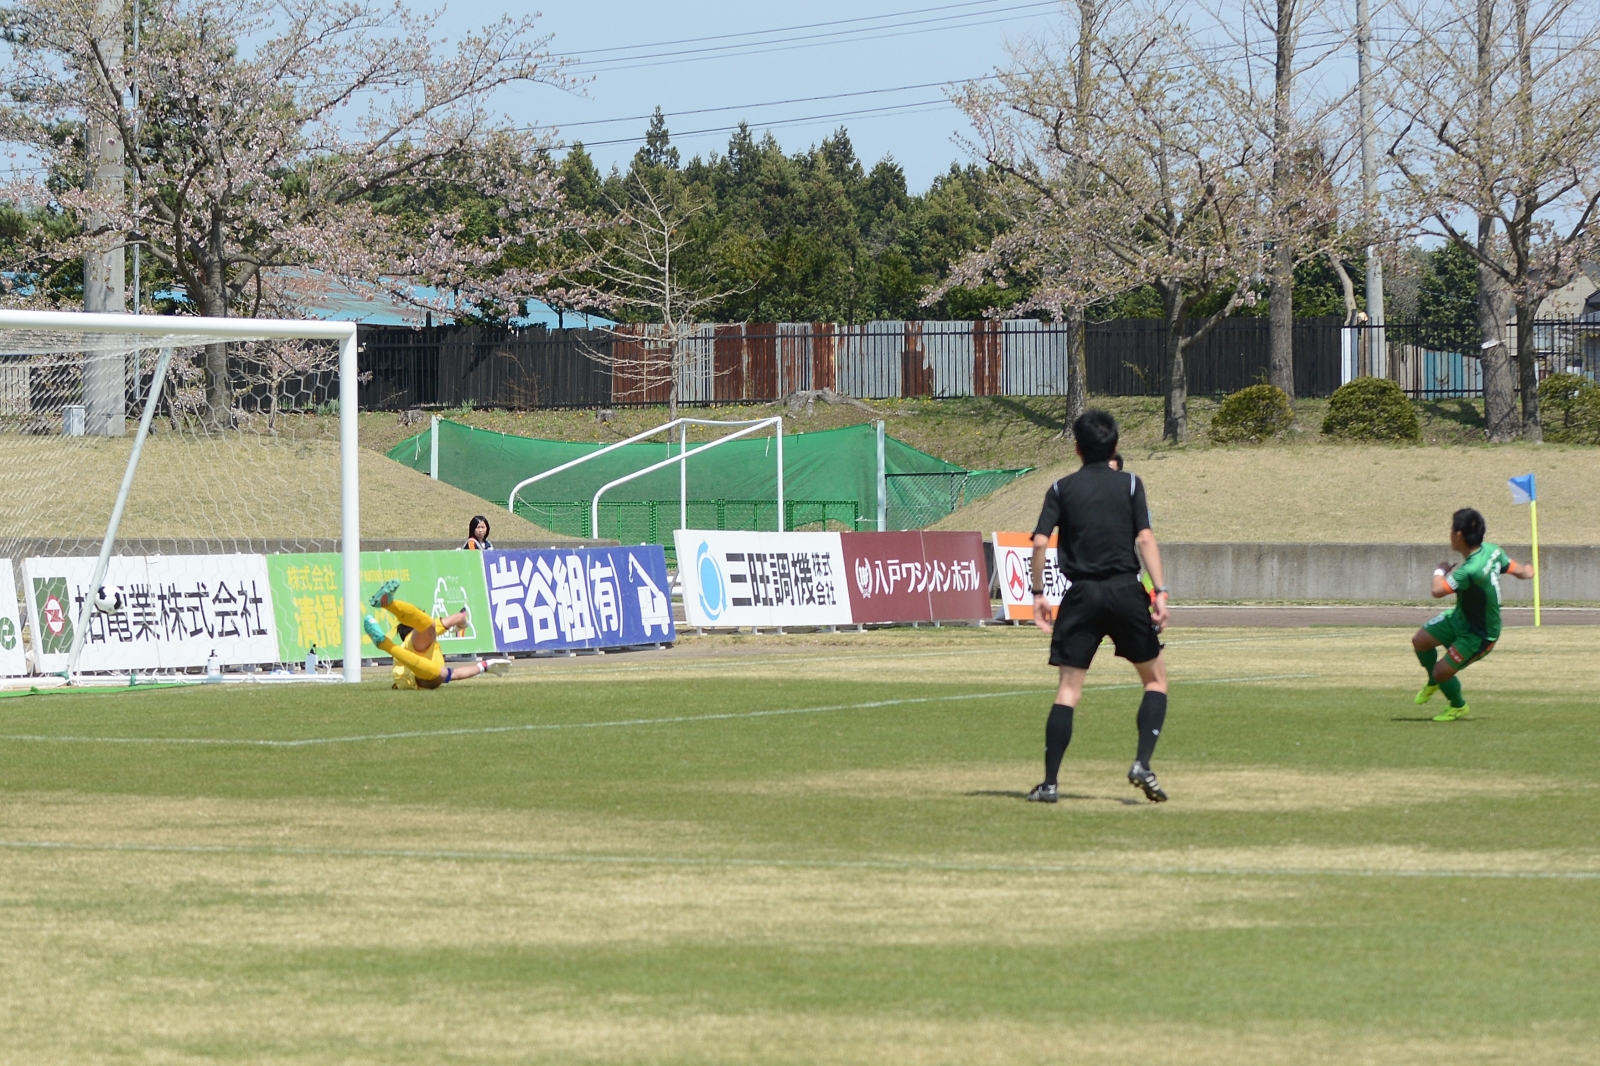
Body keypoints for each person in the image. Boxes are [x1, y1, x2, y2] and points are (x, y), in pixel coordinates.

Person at [1027, 410, 1171, 804]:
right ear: (1115, 445)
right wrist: (1160, 591)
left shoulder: (1061, 488)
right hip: (1126, 591)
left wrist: (1038, 593)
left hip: (1082, 595)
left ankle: (1050, 784)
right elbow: (1145, 539)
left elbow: (1039, 542)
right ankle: (1142, 763)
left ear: (1077, 448)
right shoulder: (1130, 484)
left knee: (1068, 691)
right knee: (1155, 680)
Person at [1411, 508, 1533, 721]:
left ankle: (1457, 705)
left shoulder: (1469, 571)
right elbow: (1517, 569)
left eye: (1451, 530)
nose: (1450, 534)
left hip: (1479, 634)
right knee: (1420, 641)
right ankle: (1434, 680)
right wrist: (1528, 570)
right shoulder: (1493, 551)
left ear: (1459, 535)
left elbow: (1437, 590)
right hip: (1460, 618)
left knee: (1441, 672)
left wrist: (1440, 570)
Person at [362, 580, 511, 690]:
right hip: (412, 675)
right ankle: (388, 613)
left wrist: (485, 666)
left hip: (412, 677)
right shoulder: (421, 638)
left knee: (441, 671)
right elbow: (459, 617)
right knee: (431, 631)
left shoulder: (427, 642)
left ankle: (389, 606)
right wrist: (463, 625)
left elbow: (456, 674)